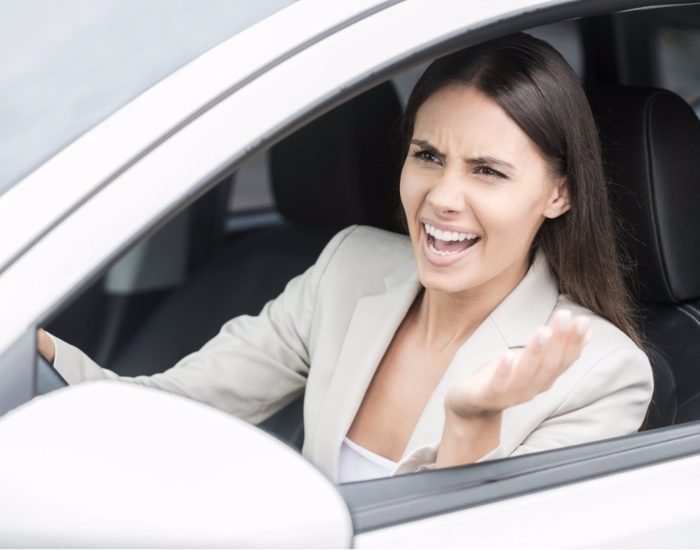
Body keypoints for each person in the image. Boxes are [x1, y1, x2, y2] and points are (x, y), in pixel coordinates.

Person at [37, 33, 653, 483]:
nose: (441, 198)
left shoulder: (600, 373)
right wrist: (37, 357)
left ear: (558, 193)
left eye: (487, 171)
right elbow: (165, 410)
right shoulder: (348, 268)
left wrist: (470, 427)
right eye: (429, 156)